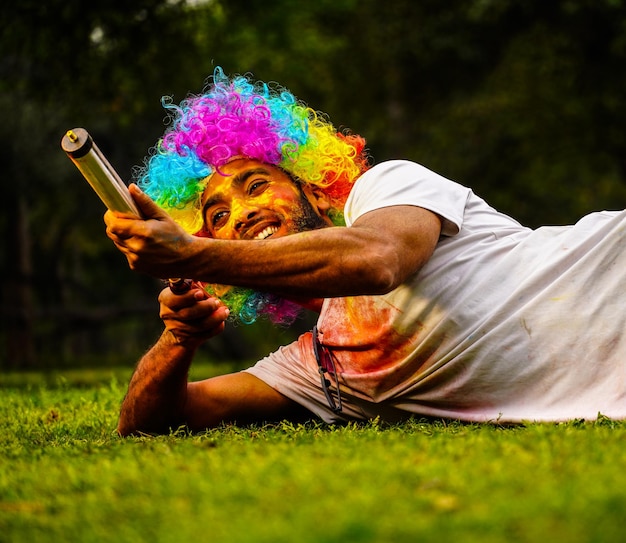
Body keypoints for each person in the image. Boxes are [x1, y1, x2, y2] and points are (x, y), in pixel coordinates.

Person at [105, 67, 626, 436]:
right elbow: (152, 423)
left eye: (257, 185)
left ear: (312, 188)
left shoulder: (387, 188)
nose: (240, 213)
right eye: (217, 218)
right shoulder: (323, 373)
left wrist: (189, 255)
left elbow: (377, 262)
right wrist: (178, 338)